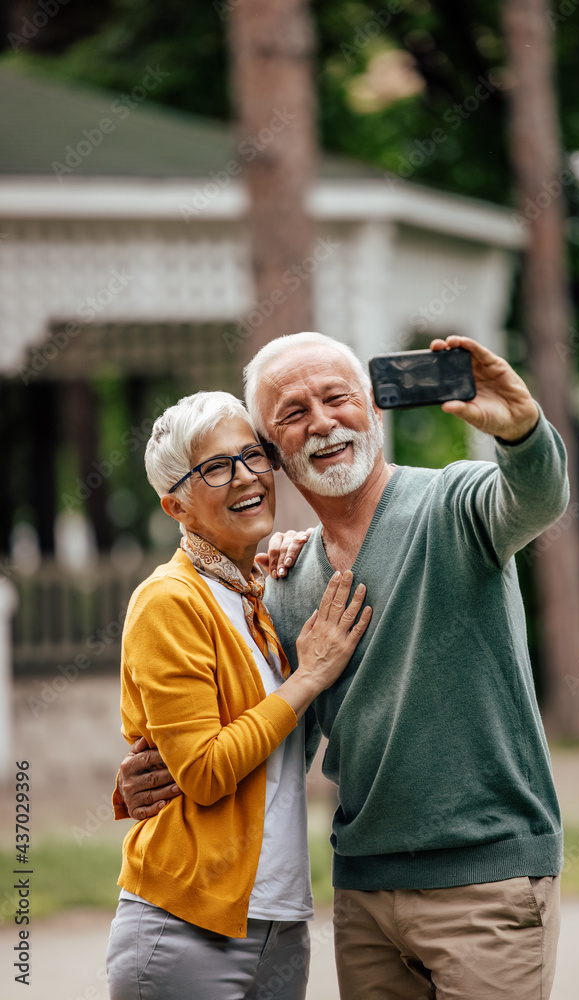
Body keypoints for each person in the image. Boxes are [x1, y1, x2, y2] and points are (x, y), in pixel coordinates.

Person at [116, 333, 569, 1000]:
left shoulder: (454, 504)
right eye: (293, 412)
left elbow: (535, 499)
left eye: (337, 398)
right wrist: (154, 774)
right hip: (361, 898)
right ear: (273, 451)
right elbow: (271, 742)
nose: (322, 422)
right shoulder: (283, 582)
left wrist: (523, 432)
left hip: (486, 884)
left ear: (375, 411)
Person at [106, 389, 372, 1000]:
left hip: (279, 920)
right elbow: (203, 772)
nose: (247, 476)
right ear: (177, 505)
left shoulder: (259, 594)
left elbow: (256, 745)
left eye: (253, 455)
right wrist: (309, 676)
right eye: (216, 467)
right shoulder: (168, 601)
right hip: (187, 927)